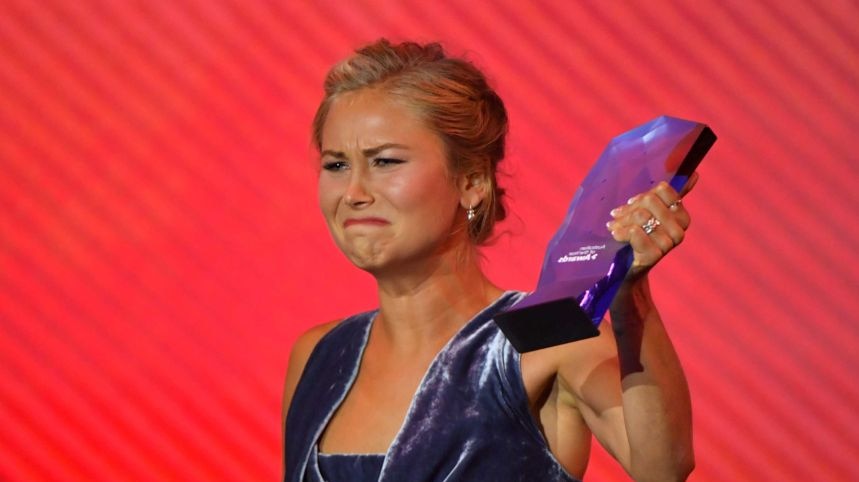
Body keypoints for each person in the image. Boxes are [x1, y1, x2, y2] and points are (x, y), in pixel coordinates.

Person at [282, 38, 696, 482]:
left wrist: (628, 293)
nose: (354, 194)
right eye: (336, 166)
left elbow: (663, 469)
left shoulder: (549, 337)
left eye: (384, 161)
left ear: (472, 181)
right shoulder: (319, 355)